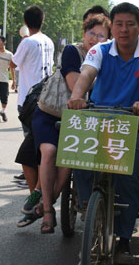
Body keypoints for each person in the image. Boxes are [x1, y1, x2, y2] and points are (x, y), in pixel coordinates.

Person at [67, 2, 139, 265]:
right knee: (79, 160)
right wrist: (77, 97)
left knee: (131, 173)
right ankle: (89, 210)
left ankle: (124, 240)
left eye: (130, 24)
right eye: (118, 24)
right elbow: (87, 74)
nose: (124, 30)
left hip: (131, 122)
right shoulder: (100, 49)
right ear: (112, 26)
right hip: (97, 118)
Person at [26, 14, 111, 233]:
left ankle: (44, 205)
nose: (94, 38)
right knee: (50, 151)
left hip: (79, 120)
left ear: (108, 39)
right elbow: (75, 85)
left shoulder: (110, 57)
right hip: (50, 113)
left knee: (68, 160)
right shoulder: (73, 51)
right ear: (83, 34)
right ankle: (46, 212)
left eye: (101, 35)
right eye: (91, 33)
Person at [10, 5, 55, 134]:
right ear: (42, 22)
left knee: (29, 140)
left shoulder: (27, 42)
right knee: (42, 139)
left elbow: (13, 63)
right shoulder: (49, 41)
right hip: (46, 98)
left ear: (25, 22)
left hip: (28, 98)